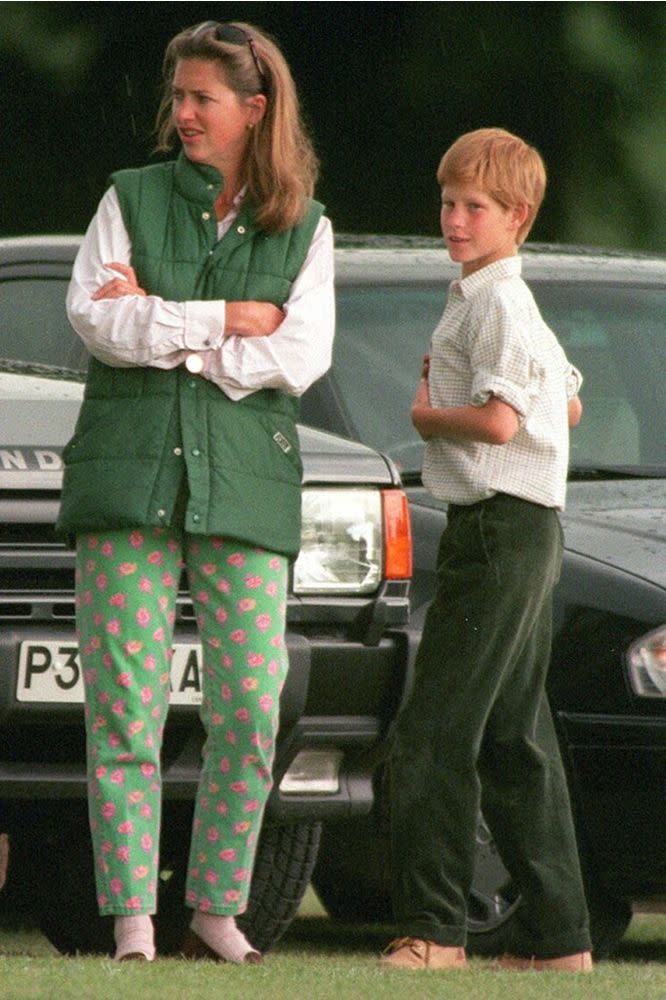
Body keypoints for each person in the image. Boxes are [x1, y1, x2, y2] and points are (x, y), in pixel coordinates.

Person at [57, 20, 334, 964]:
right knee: (123, 710)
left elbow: (298, 354)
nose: (181, 114)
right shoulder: (128, 198)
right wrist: (225, 322)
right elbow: (94, 322)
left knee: (252, 710)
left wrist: (161, 323)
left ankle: (218, 910)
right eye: (176, 96)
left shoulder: (307, 225)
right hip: (126, 482)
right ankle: (133, 922)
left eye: (201, 99)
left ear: (255, 110)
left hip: (246, 489)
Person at [381, 128, 593, 972]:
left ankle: (434, 932)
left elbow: (504, 421)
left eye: (476, 206)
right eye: (448, 201)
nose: (455, 219)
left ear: (519, 216)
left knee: (433, 732)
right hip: (528, 526)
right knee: (513, 736)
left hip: (500, 529)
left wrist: (429, 417)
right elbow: (567, 404)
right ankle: (558, 942)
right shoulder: (500, 298)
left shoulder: (495, 303)